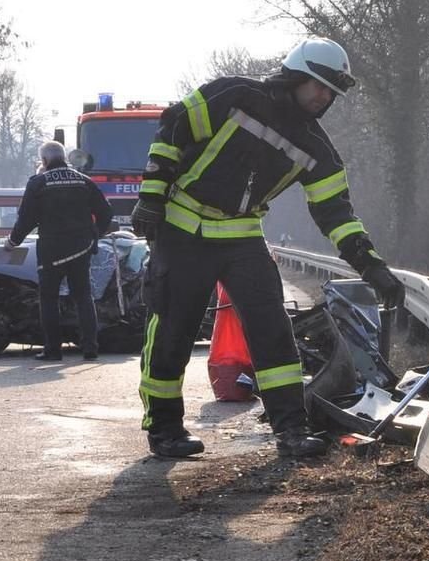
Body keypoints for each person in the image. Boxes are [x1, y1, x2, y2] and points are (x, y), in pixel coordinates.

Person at [131, 37, 404, 460]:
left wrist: (372, 267)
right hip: (183, 225)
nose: (323, 97)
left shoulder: (317, 150)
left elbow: (336, 214)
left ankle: (291, 430)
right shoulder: (234, 95)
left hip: (241, 234)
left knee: (273, 331)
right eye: (317, 85)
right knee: (172, 331)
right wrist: (151, 196)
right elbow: (173, 126)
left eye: (331, 91)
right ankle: (164, 429)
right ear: (294, 76)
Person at [5, 140, 115, 361]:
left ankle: (53, 350)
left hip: (51, 250)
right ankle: (90, 348)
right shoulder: (85, 181)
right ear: (64, 157)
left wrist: (12, 242)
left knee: (48, 298)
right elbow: (106, 213)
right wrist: (94, 234)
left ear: (44, 161)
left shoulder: (38, 183)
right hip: (80, 248)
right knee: (83, 296)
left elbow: (26, 219)